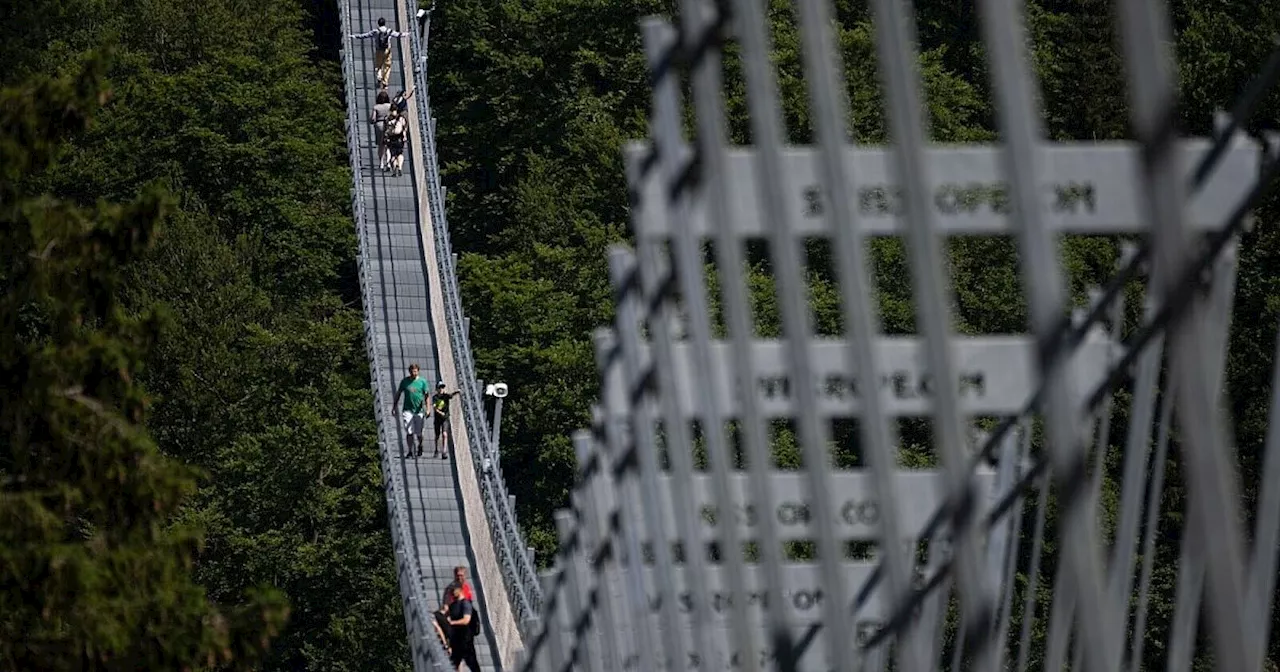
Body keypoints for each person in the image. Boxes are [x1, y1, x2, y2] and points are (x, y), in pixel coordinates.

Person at [349, 17, 407, 90]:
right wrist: (406, 34)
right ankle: (385, 83)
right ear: (384, 23)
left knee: (378, 65)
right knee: (387, 66)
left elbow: (365, 35)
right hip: (387, 51)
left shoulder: (375, 31)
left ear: (378, 24)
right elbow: (398, 35)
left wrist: (355, 36)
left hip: (379, 50)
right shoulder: (389, 31)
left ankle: (379, 76)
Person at [392, 363, 429, 457]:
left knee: (419, 433)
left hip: (419, 410)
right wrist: (394, 406)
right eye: (412, 371)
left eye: (416, 371)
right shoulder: (405, 381)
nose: (414, 373)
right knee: (409, 431)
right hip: (407, 410)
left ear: (418, 371)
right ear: (410, 372)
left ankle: (420, 445)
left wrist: (428, 409)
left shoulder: (423, 382)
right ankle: (410, 451)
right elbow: (399, 393)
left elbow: (427, 396)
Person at [445, 585, 481, 672]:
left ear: (460, 591)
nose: (452, 593)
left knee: (473, 665)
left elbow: (466, 620)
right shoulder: (453, 606)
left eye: (454, 591)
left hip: (466, 640)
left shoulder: (465, 604)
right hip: (456, 640)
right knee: (453, 665)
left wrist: (452, 623)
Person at [432, 381, 458, 459]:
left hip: (445, 418)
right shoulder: (435, 397)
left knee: (444, 434)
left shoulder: (446, 396)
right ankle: (436, 450)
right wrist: (440, 413)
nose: (441, 389)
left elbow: (451, 395)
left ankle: (444, 451)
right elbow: (435, 408)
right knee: (437, 435)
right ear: (437, 389)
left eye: (442, 387)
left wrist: (456, 392)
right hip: (437, 418)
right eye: (440, 388)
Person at [370, 89, 393, 171]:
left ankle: (381, 163)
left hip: (379, 125)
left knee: (381, 145)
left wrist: (372, 121)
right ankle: (389, 162)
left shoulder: (376, 107)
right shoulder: (390, 106)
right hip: (389, 125)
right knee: (388, 145)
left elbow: (373, 119)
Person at [384, 107, 409, 178]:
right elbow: (404, 128)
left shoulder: (389, 119)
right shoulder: (402, 119)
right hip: (400, 139)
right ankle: (400, 167)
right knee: (400, 153)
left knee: (393, 155)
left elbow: (386, 129)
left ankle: (394, 171)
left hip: (392, 139)